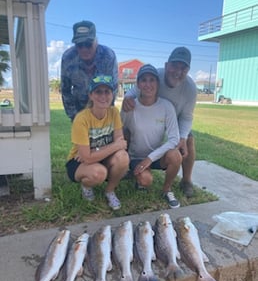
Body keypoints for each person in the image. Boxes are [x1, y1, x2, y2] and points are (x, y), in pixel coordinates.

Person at [122, 47, 197, 198]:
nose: (177, 72)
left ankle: (186, 181)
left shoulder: (190, 88)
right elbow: (137, 89)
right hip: (149, 112)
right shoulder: (157, 74)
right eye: (175, 66)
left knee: (187, 140)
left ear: (188, 70)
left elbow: (187, 117)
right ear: (167, 65)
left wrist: (181, 137)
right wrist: (127, 98)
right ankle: (128, 167)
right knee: (128, 131)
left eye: (183, 68)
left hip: (172, 115)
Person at [121, 64, 182, 208]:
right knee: (146, 181)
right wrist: (124, 159)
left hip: (156, 156)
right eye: (144, 80)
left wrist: (150, 159)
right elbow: (120, 132)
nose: (148, 84)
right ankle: (135, 174)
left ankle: (166, 189)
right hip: (136, 156)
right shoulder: (130, 106)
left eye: (152, 80)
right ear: (138, 84)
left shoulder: (167, 106)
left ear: (158, 83)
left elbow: (174, 138)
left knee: (176, 156)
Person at [66, 74, 129, 211]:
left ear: (112, 94)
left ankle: (110, 191)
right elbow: (86, 158)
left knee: (123, 157)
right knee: (98, 173)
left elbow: (121, 143)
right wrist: (112, 147)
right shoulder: (81, 119)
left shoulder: (114, 112)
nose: (103, 96)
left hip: (100, 156)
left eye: (107, 91)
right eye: (98, 91)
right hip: (78, 161)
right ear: (91, 95)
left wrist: (96, 151)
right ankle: (86, 186)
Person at [61, 20, 118, 121]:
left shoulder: (108, 56)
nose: (84, 49)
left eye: (88, 44)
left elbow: (113, 88)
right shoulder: (68, 58)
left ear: (96, 41)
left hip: (103, 110)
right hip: (79, 111)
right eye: (79, 45)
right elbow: (66, 90)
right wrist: (75, 117)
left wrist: (104, 116)